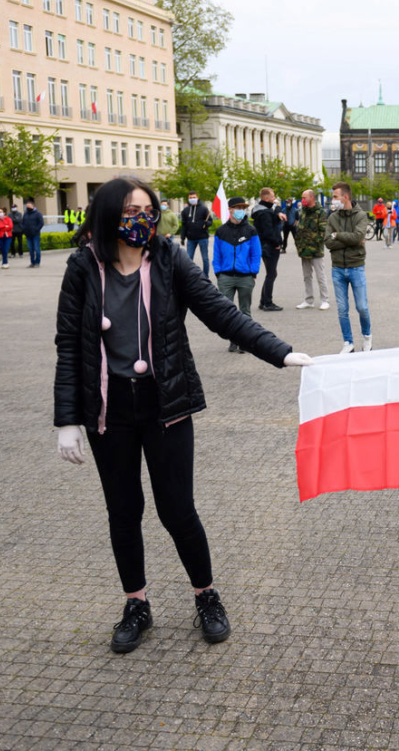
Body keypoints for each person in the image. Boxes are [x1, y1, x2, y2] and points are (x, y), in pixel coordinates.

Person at [53, 177, 312, 654]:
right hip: (109, 412)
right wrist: (68, 419)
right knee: (124, 512)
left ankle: (206, 596)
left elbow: (221, 312)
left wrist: (282, 353)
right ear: (110, 213)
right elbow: (69, 345)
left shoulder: (169, 259)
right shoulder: (82, 268)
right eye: (132, 209)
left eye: (149, 209)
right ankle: (137, 603)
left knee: (178, 510)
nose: (142, 218)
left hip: (165, 404)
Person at [326, 182, 372, 353]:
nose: (333, 200)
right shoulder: (332, 217)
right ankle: (348, 342)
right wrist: (350, 240)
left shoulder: (360, 215)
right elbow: (328, 242)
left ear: (345, 197)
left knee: (362, 307)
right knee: (342, 309)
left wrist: (337, 235)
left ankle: (367, 336)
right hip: (337, 268)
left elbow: (358, 237)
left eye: (335, 196)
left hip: (355, 267)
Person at [212, 197, 263, 351]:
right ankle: (233, 339)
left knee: (245, 311)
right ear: (230, 210)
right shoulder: (221, 231)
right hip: (225, 277)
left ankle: (245, 341)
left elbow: (256, 253)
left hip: (245, 277)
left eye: (243, 208)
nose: (241, 210)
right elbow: (216, 255)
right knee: (227, 311)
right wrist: (219, 273)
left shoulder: (251, 230)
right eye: (238, 207)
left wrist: (253, 271)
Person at [251, 188, 287, 312]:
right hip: (269, 247)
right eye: (273, 196)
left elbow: (273, 219)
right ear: (266, 198)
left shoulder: (261, 210)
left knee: (271, 273)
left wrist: (277, 211)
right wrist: (276, 243)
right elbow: (268, 231)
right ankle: (267, 302)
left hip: (265, 246)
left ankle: (263, 301)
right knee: (271, 274)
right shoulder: (265, 213)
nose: (274, 198)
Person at [293, 190, 329, 310]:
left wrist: (314, 244)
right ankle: (309, 300)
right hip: (304, 250)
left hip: (316, 250)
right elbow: (300, 228)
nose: (302, 200)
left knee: (320, 276)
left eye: (304, 197)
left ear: (312, 198)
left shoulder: (320, 212)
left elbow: (323, 231)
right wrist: (299, 244)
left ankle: (325, 300)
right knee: (307, 276)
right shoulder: (303, 211)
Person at [180, 192, 213, 276]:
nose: (192, 199)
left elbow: (210, 221)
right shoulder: (185, 210)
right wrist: (182, 237)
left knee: (205, 258)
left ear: (197, 197)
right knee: (188, 258)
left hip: (202, 237)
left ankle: (205, 276)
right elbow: (184, 225)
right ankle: (189, 276)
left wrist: (207, 223)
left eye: (194, 197)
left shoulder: (204, 209)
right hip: (191, 238)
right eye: (190, 197)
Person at [23, 200, 44, 268]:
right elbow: (23, 223)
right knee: (30, 249)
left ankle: (37, 262)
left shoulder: (38, 213)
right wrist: (24, 230)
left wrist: (36, 229)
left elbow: (41, 223)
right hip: (28, 234)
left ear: (33, 206)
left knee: (36, 248)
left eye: (29, 206)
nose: (28, 207)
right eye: (27, 206)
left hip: (35, 234)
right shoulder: (25, 214)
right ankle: (32, 262)